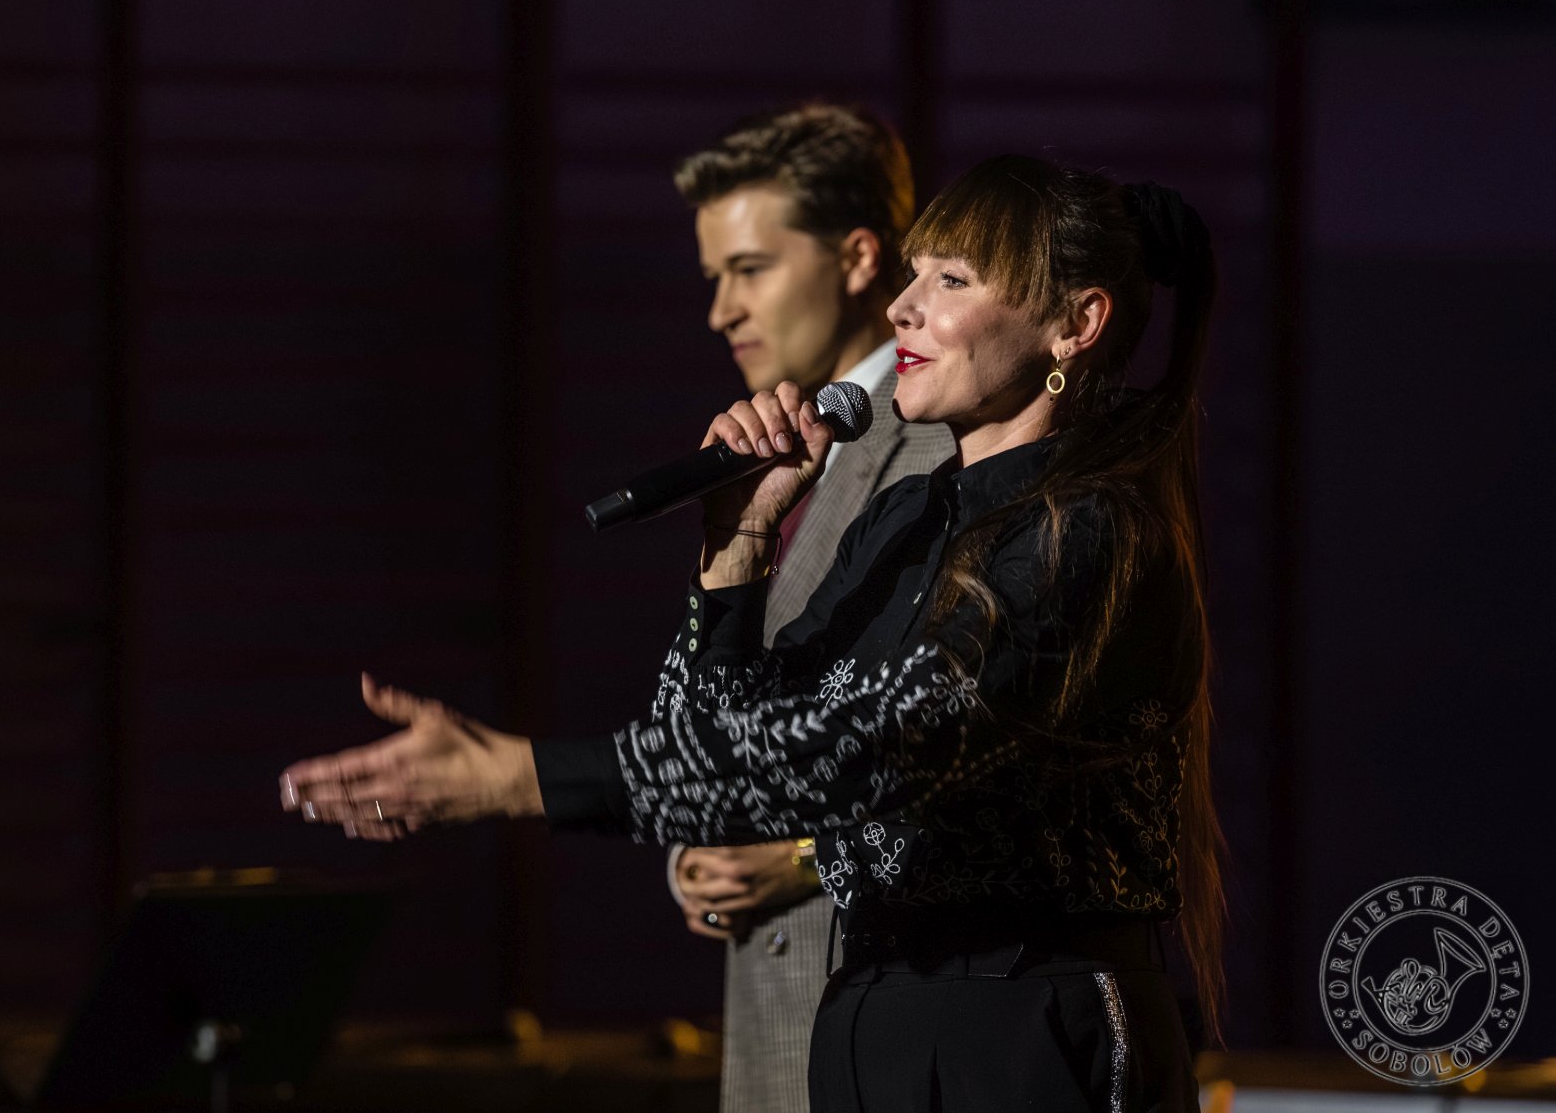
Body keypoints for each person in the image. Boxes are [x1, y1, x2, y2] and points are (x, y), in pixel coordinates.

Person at [282, 154, 1226, 1110]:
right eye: (912, 275)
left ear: (1077, 323)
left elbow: (872, 749)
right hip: (869, 1016)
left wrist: (521, 777)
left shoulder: (1092, 533)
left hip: (1023, 1028)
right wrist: (736, 549)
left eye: (951, 280)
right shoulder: (905, 518)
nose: (903, 308)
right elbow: (721, 751)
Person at [665, 101, 952, 1112]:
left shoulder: (943, 445)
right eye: (714, 277)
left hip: (892, 1024)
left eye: (749, 269)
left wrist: (798, 856)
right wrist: (696, 848)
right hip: (776, 1025)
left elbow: (980, 746)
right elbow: (730, 722)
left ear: (860, 257)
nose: (722, 310)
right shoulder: (772, 452)